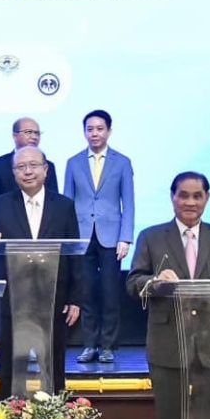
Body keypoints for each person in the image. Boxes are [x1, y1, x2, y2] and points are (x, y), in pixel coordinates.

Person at [126, 172, 210, 419]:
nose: (190, 202)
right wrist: (154, 281)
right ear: (172, 197)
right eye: (184, 195)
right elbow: (133, 282)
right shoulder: (151, 237)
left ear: (207, 198)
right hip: (167, 343)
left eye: (197, 196)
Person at [0, 146, 84, 397]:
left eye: (33, 165)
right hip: (11, 302)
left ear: (45, 170)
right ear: (14, 172)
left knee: (53, 369)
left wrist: (75, 298)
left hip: (53, 301)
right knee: (10, 371)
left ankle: (55, 417)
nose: (27, 172)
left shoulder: (63, 206)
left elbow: (74, 255)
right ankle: (7, 417)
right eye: (21, 167)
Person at [62, 109, 135, 364]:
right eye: (90, 129)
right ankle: (89, 344)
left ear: (109, 131)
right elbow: (67, 203)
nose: (94, 133)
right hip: (82, 236)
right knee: (86, 292)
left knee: (110, 292)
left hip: (111, 236)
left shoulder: (122, 162)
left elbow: (128, 202)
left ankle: (108, 346)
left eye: (99, 129)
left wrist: (125, 237)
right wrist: (69, 239)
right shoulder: (73, 162)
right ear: (84, 132)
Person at [0, 117, 58, 217]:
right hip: (6, 222)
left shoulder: (48, 165)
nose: (34, 137)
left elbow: (54, 200)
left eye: (37, 133)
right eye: (29, 132)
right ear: (15, 135)